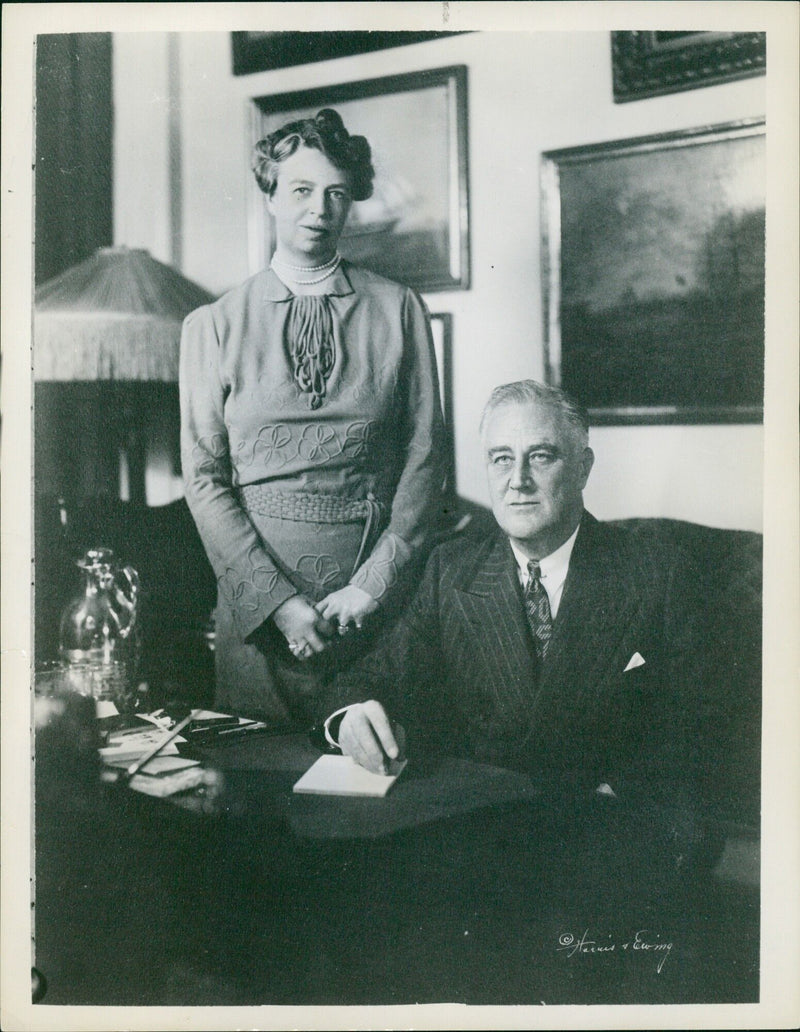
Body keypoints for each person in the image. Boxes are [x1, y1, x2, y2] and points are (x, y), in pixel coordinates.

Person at [316, 379, 707, 827]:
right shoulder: (451, 569)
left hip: (605, 834)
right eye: (501, 459)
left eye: (540, 456)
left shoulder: (659, 572)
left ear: (582, 467)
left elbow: (701, 732)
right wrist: (351, 717)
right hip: (476, 830)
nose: (517, 481)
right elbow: (367, 677)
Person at [180, 109, 445, 722]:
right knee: (258, 793)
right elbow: (204, 480)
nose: (318, 209)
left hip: (374, 609)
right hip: (258, 615)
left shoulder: (400, 310)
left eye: (335, 193)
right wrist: (279, 605)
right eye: (300, 190)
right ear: (270, 196)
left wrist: (373, 587)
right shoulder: (213, 325)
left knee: (376, 781)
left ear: (351, 202)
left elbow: (427, 455)